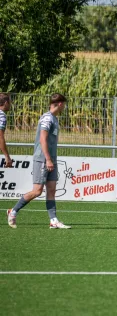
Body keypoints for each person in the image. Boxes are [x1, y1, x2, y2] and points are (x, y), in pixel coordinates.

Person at [7, 93, 70, 229]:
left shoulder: (54, 118)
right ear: (60, 104)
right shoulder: (47, 118)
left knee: (51, 189)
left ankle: (53, 220)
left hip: (51, 159)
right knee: (37, 191)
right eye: (64, 104)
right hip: (43, 159)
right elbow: (43, 139)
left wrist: (51, 159)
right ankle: (13, 211)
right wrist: (47, 159)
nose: (64, 107)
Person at [0, 93, 14, 168]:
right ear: (5, 103)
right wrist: (7, 156)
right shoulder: (1, 115)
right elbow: (0, 136)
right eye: (10, 103)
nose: (10, 105)